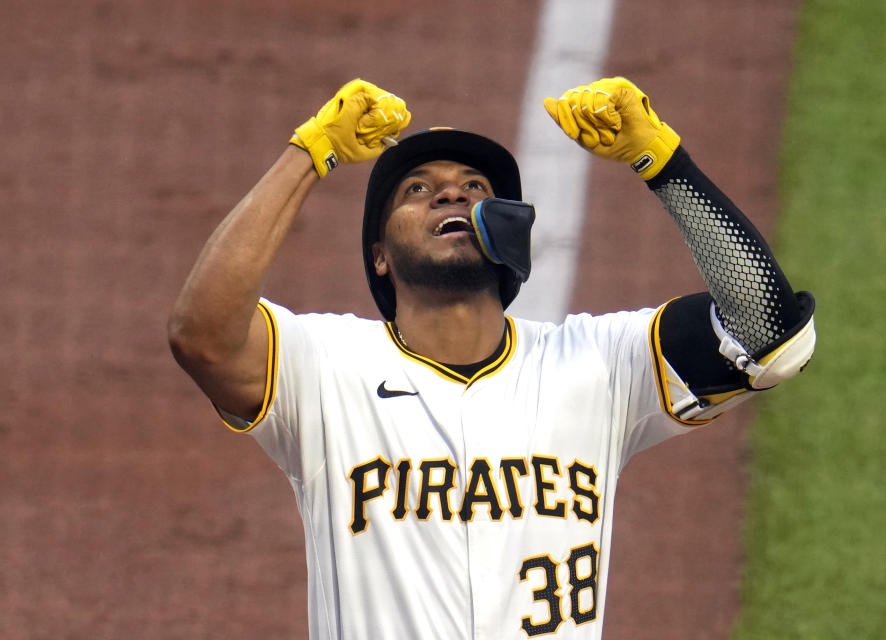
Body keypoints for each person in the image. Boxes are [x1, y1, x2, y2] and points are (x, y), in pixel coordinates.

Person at [168, 76, 815, 639]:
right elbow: (203, 335)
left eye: (473, 187)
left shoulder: (597, 364)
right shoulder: (326, 368)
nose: (450, 195)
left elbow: (771, 337)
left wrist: (662, 161)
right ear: (379, 256)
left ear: (508, 230)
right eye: (416, 189)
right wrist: (309, 155)